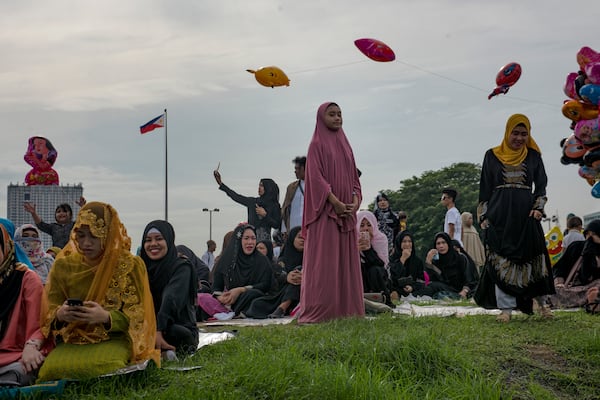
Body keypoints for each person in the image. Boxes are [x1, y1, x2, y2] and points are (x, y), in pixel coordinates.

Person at [38, 202, 159, 381]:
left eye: (94, 236)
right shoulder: (64, 265)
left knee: (109, 368)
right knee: (50, 371)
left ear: (108, 234)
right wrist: (61, 314)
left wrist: (106, 317)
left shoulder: (129, 265)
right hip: (73, 338)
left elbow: (139, 317)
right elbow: (49, 310)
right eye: (81, 235)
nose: (86, 243)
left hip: (113, 338)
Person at [474, 113, 555, 322]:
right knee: (501, 257)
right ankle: (506, 310)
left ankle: (543, 304)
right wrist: (483, 215)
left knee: (535, 257)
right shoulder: (491, 155)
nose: (519, 138)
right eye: (515, 133)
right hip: (499, 216)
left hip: (527, 215)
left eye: (524, 134)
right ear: (507, 132)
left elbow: (542, 186)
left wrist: (538, 208)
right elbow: (484, 189)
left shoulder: (534, 156)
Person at [299, 102, 364, 323]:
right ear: (321, 117)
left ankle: (348, 309)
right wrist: (334, 201)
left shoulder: (346, 145)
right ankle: (322, 310)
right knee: (325, 264)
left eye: (340, 114)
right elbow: (315, 178)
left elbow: (354, 178)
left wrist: (354, 200)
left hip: (346, 213)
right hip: (325, 214)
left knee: (346, 264)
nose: (337, 118)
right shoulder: (316, 144)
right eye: (332, 114)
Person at [0, 224, 53, 387]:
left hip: (16, 354)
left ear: (5, 246)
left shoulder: (26, 279)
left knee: (21, 369)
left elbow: (41, 323)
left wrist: (31, 345)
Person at [140, 221, 199, 357]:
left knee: (174, 332)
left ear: (169, 240)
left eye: (159, 239)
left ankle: (160, 351)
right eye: (148, 240)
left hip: (175, 326)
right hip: (148, 326)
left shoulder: (181, 267)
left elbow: (171, 298)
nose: (153, 244)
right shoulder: (141, 268)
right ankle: (160, 352)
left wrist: (159, 329)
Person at [211, 224, 273, 317]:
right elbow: (216, 287)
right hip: (229, 299)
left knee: (253, 295)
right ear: (239, 240)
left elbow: (265, 285)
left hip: (251, 298)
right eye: (246, 238)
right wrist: (220, 297)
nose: (250, 242)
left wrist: (241, 290)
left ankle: (236, 312)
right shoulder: (227, 260)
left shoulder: (262, 260)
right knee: (203, 297)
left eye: (253, 238)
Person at [246, 226, 304, 319]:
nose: (303, 240)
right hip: (282, 293)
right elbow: (277, 276)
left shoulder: (311, 259)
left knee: (298, 273)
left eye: (305, 237)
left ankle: (282, 308)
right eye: (300, 237)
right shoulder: (283, 259)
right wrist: (287, 277)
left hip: (304, 293)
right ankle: (286, 307)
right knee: (257, 304)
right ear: (292, 238)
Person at [213, 171, 282, 243]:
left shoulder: (274, 205)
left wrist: (265, 215)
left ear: (268, 188)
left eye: (262, 186)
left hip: (265, 243)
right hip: (251, 241)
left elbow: (277, 224)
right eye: (259, 185)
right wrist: (221, 184)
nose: (259, 188)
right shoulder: (253, 202)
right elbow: (236, 197)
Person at [552, 220, 600, 307]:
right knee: (554, 291)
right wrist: (559, 282)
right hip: (571, 288)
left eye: (593, 234)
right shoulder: (576, 247)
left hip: (593, 287)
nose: (590, 237)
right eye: (588, 234)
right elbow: (559, 267)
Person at [425, 232, 479, 300]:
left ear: (448, 244)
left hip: (464, 289)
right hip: (449, 288)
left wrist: (464, 291)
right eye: (438, 243)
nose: (441, 246)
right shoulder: (436, 261)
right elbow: (429, 280)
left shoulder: (460, 257)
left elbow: (469, 279)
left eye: (443, 242)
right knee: (432, 286)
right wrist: (429, 263)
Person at [356, 210, 393, 307]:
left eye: (369, 225)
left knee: (374, 270)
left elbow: (382, 264)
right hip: (361, 275)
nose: (366, 228)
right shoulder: (352, 240)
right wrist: (356, 251)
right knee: (358, 268)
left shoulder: (380, 239)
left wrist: (369, 250)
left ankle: (381, 299)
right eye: (362, 225)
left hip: (378, 276)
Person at [389, 231, 432, 298]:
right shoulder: (392, 258)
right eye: (404, 241)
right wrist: (403, 259)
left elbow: (422, 280)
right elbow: (393, 277)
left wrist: (412, 287)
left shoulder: (417, 261)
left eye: (409, 241)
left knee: (428, 288)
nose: (407, 244)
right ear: (399, 243)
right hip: (397, 287)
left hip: (412, 288)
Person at [280, 156, 306, 239]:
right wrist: (284, 229)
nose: (295, 171)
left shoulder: (316, 186)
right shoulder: (291, 187)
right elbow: (285, 208)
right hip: (293, 229)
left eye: (298, 169)